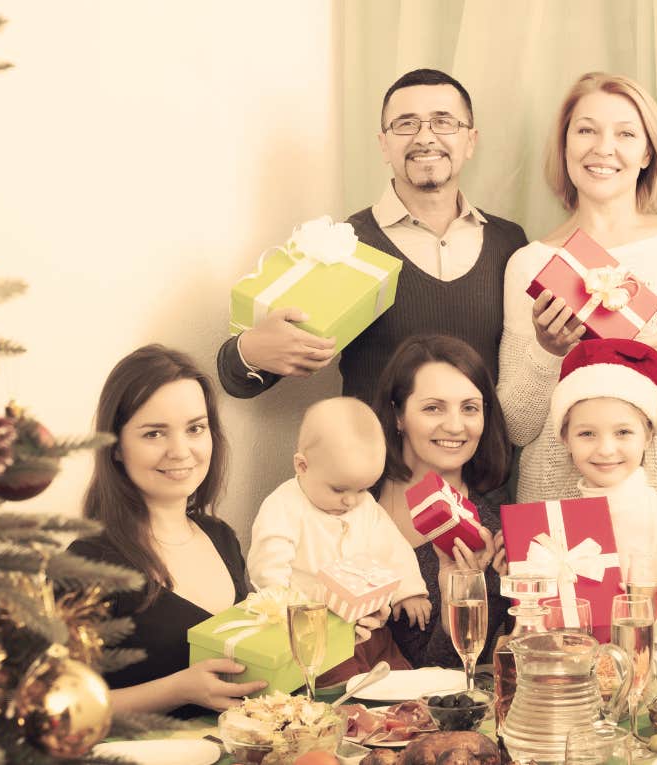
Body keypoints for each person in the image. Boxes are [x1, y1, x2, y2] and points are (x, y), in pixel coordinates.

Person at [218, 68, 528, 403]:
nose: (425, 137)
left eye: (443, 121)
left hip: (485, 455)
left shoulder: (509, 243)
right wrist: (249, 350)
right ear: (384, 144)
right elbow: (238, 378)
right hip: (376, 455)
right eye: (406, 124)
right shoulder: (344, 248)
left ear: (470, 141)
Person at [497, 71, 657, 503]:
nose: (603, 148)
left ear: (647, 153)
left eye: (625, 133)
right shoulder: (530, 263)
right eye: (586, 130)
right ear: (565, 145)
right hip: (563, 513)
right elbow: (515, 425)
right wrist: (547, 352)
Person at [67, 345, 264, 718]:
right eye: (155, 434)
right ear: (116, 447)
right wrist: (176, 690)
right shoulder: (87, 561)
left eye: (195, 428)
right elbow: (62, 708)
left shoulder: (221, 536)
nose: (180, 450)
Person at [247, 397, 429, 682]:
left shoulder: (364, 505)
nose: (351, 500)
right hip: (320, 634)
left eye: (362, 489)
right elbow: (269, 564)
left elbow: (392, 548)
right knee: (342, 689)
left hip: (370, 626)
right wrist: (287, 613)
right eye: (339, 489)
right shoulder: (284, 507)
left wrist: (409, 590)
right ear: (302, 466)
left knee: (400, 677)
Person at [370, 334, 512, 668]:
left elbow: (453, 679)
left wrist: (459, 605)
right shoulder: (348, 504)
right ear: (398, 415)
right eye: (433, 407)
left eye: (470, 408)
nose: (454, 425)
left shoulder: (492, 536)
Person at [547, 338, 657, 614]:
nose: (606, 449)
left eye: (623, 432)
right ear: (565, 438)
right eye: (587, 434)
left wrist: (640, 619)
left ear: (647, 435)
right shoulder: (555, 527)